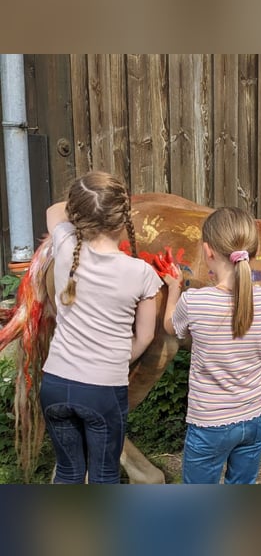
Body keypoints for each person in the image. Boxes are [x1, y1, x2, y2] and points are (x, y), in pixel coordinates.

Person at [40, 171, 162, 484]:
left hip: (55, 384)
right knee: (104, 474)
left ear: (79, 215)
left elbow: (53, 211)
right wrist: (121, 357)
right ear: (124, 218)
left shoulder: (66, 245)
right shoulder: (142, 274)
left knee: (68, 471)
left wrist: (84, 205)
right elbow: (146, 335)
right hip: (103, 390)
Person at [162, 206, 261, 484]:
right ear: (253, 251)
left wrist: (174, 289)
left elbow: (169, 327)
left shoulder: (194, 302)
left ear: (208, 251)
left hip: (209, 424)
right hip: (256, 418)